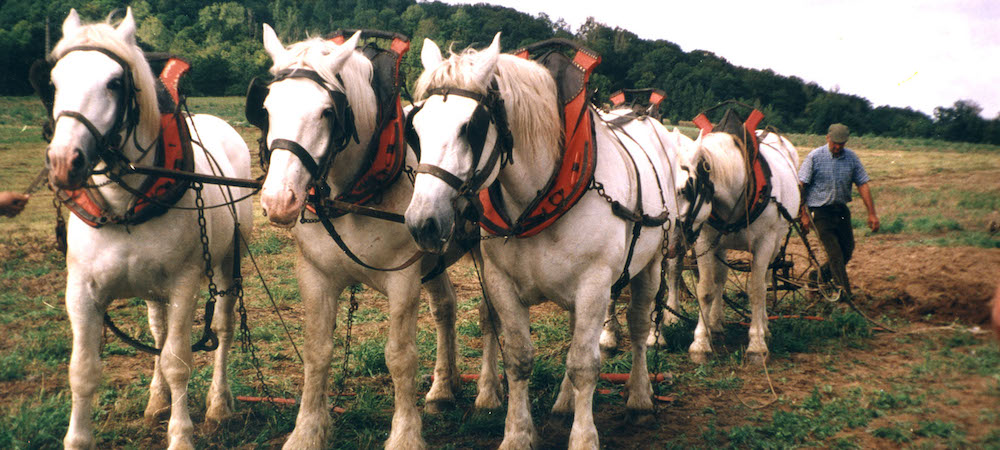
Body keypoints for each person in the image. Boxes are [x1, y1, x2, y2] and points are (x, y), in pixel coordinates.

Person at [798, 123, 879, 300]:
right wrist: (803, 214)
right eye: (835, 143)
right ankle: (845, 297)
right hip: (819, 212)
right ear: (828, 138)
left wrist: (871, 213)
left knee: (847, 251)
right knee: (835, 254)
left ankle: (815, 279)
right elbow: (801, 185)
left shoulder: (851, 158)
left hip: (840, 210)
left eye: (841, 144)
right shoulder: (815, 157)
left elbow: (863, 184)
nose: (837, 147)